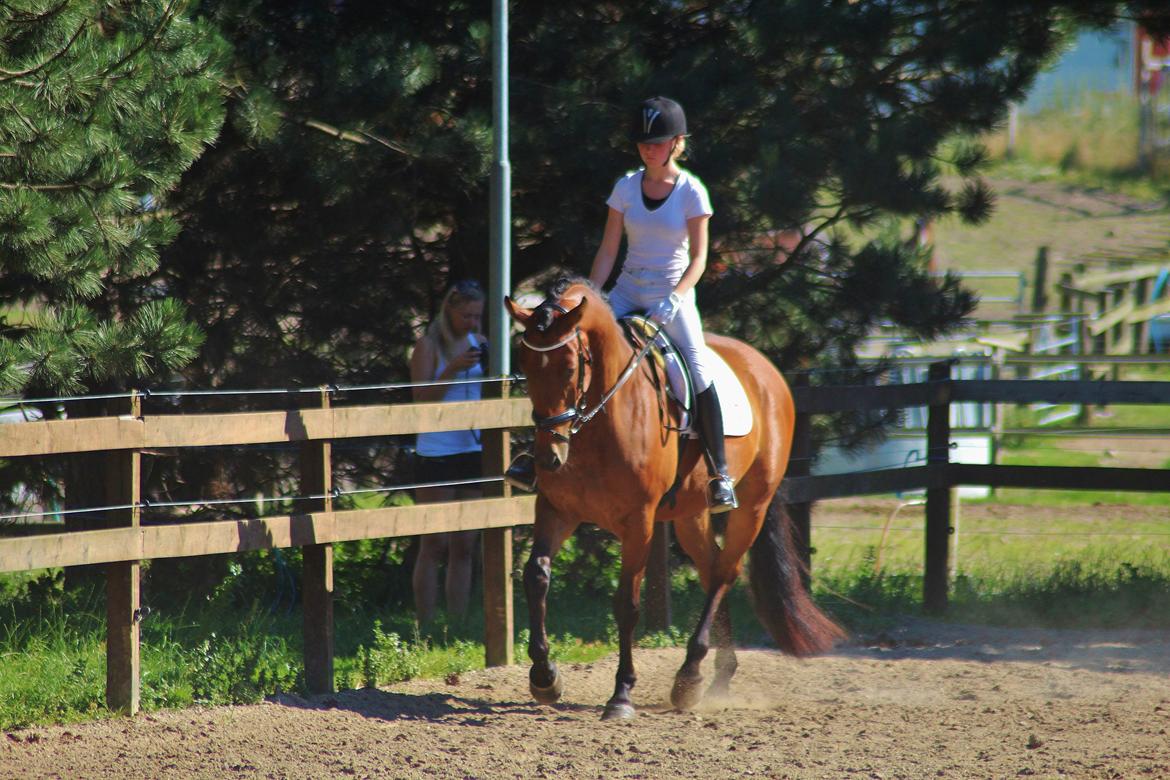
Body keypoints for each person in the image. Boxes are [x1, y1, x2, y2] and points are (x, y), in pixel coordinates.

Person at [506, 96, 737, 513]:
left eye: (658, 142)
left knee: (697, 371)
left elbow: (700, 257)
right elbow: (610, 249)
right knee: (572, 359)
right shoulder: (626, 187)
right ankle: (535, 458)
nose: (649, 149)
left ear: (677, 144)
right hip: (628, 290)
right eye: (643, 143)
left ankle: (721, 474)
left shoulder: (691, 192)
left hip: (673, 292)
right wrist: (591, 299)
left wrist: (676, 297)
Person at [409, 279, 487, 624]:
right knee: (435, 541)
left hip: (471, 448)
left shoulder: (480, 343)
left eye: (477, 316)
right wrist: (453, 368)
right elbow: (421, 401)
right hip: (436, 451)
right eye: (466, 315)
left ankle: (457, 623)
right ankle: (424, 624)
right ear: (449, 311)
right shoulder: (428, 346)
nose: (472, 322)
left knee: (465, 544)